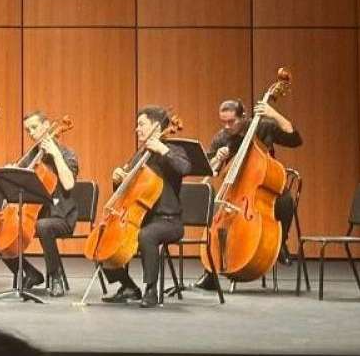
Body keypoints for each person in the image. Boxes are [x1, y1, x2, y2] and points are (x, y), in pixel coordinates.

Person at [197, 98, 303, 289]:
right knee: (214, 214)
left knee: (286, 200)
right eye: (224, 122)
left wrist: (274, 114)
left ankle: (281, 244)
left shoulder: (263, 127)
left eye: (232, 121)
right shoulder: (222, 137)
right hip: (236, 190)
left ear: (243, 117)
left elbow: (295, 139)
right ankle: (210, 271)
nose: (227, 126)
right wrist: (218, 160)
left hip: (262, 186)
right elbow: (208, 170)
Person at [101, 106, 189, 309]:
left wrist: (163, 149)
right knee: (104, 237)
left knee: (147, 236)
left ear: (156, 127)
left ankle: (151, 289)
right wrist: (118, 180)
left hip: (168, 221)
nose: (136, 129)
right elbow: (126, 193)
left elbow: (185, 168)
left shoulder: (174, 150)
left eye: (141, 124)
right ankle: (128, 286)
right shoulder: (140, 155)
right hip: (139, 218)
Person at [0, 111, 79, 297]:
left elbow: (68, 184)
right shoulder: (33, 155)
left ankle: (56, 276)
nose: (31, 133)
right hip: (35, 215)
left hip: (61, 215)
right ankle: (30, 273)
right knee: (1, 231)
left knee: (43, 226)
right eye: (28, 130)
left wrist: (56, 155)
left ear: (47, 126)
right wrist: (12, 173)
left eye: (34, 128)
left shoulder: (67, 154)